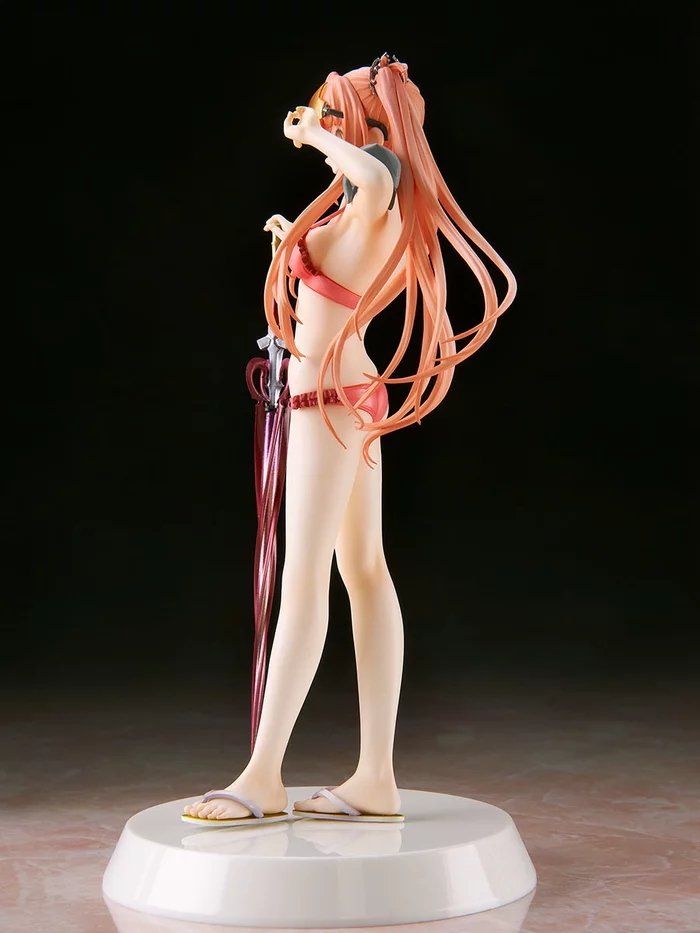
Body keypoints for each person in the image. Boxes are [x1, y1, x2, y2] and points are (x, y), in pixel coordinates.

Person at [182, 54, 516, 825]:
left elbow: (371, 173)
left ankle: (262, 776)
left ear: (361, 128)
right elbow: (337, 266)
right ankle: (375, 778)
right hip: (346, 391)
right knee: (363, 568)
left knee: (306, 574)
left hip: (327, 399)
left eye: (333, 116)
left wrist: (314, 136)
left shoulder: (376, 193)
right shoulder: (357, 211)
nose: (320, 130)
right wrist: (292, 249)